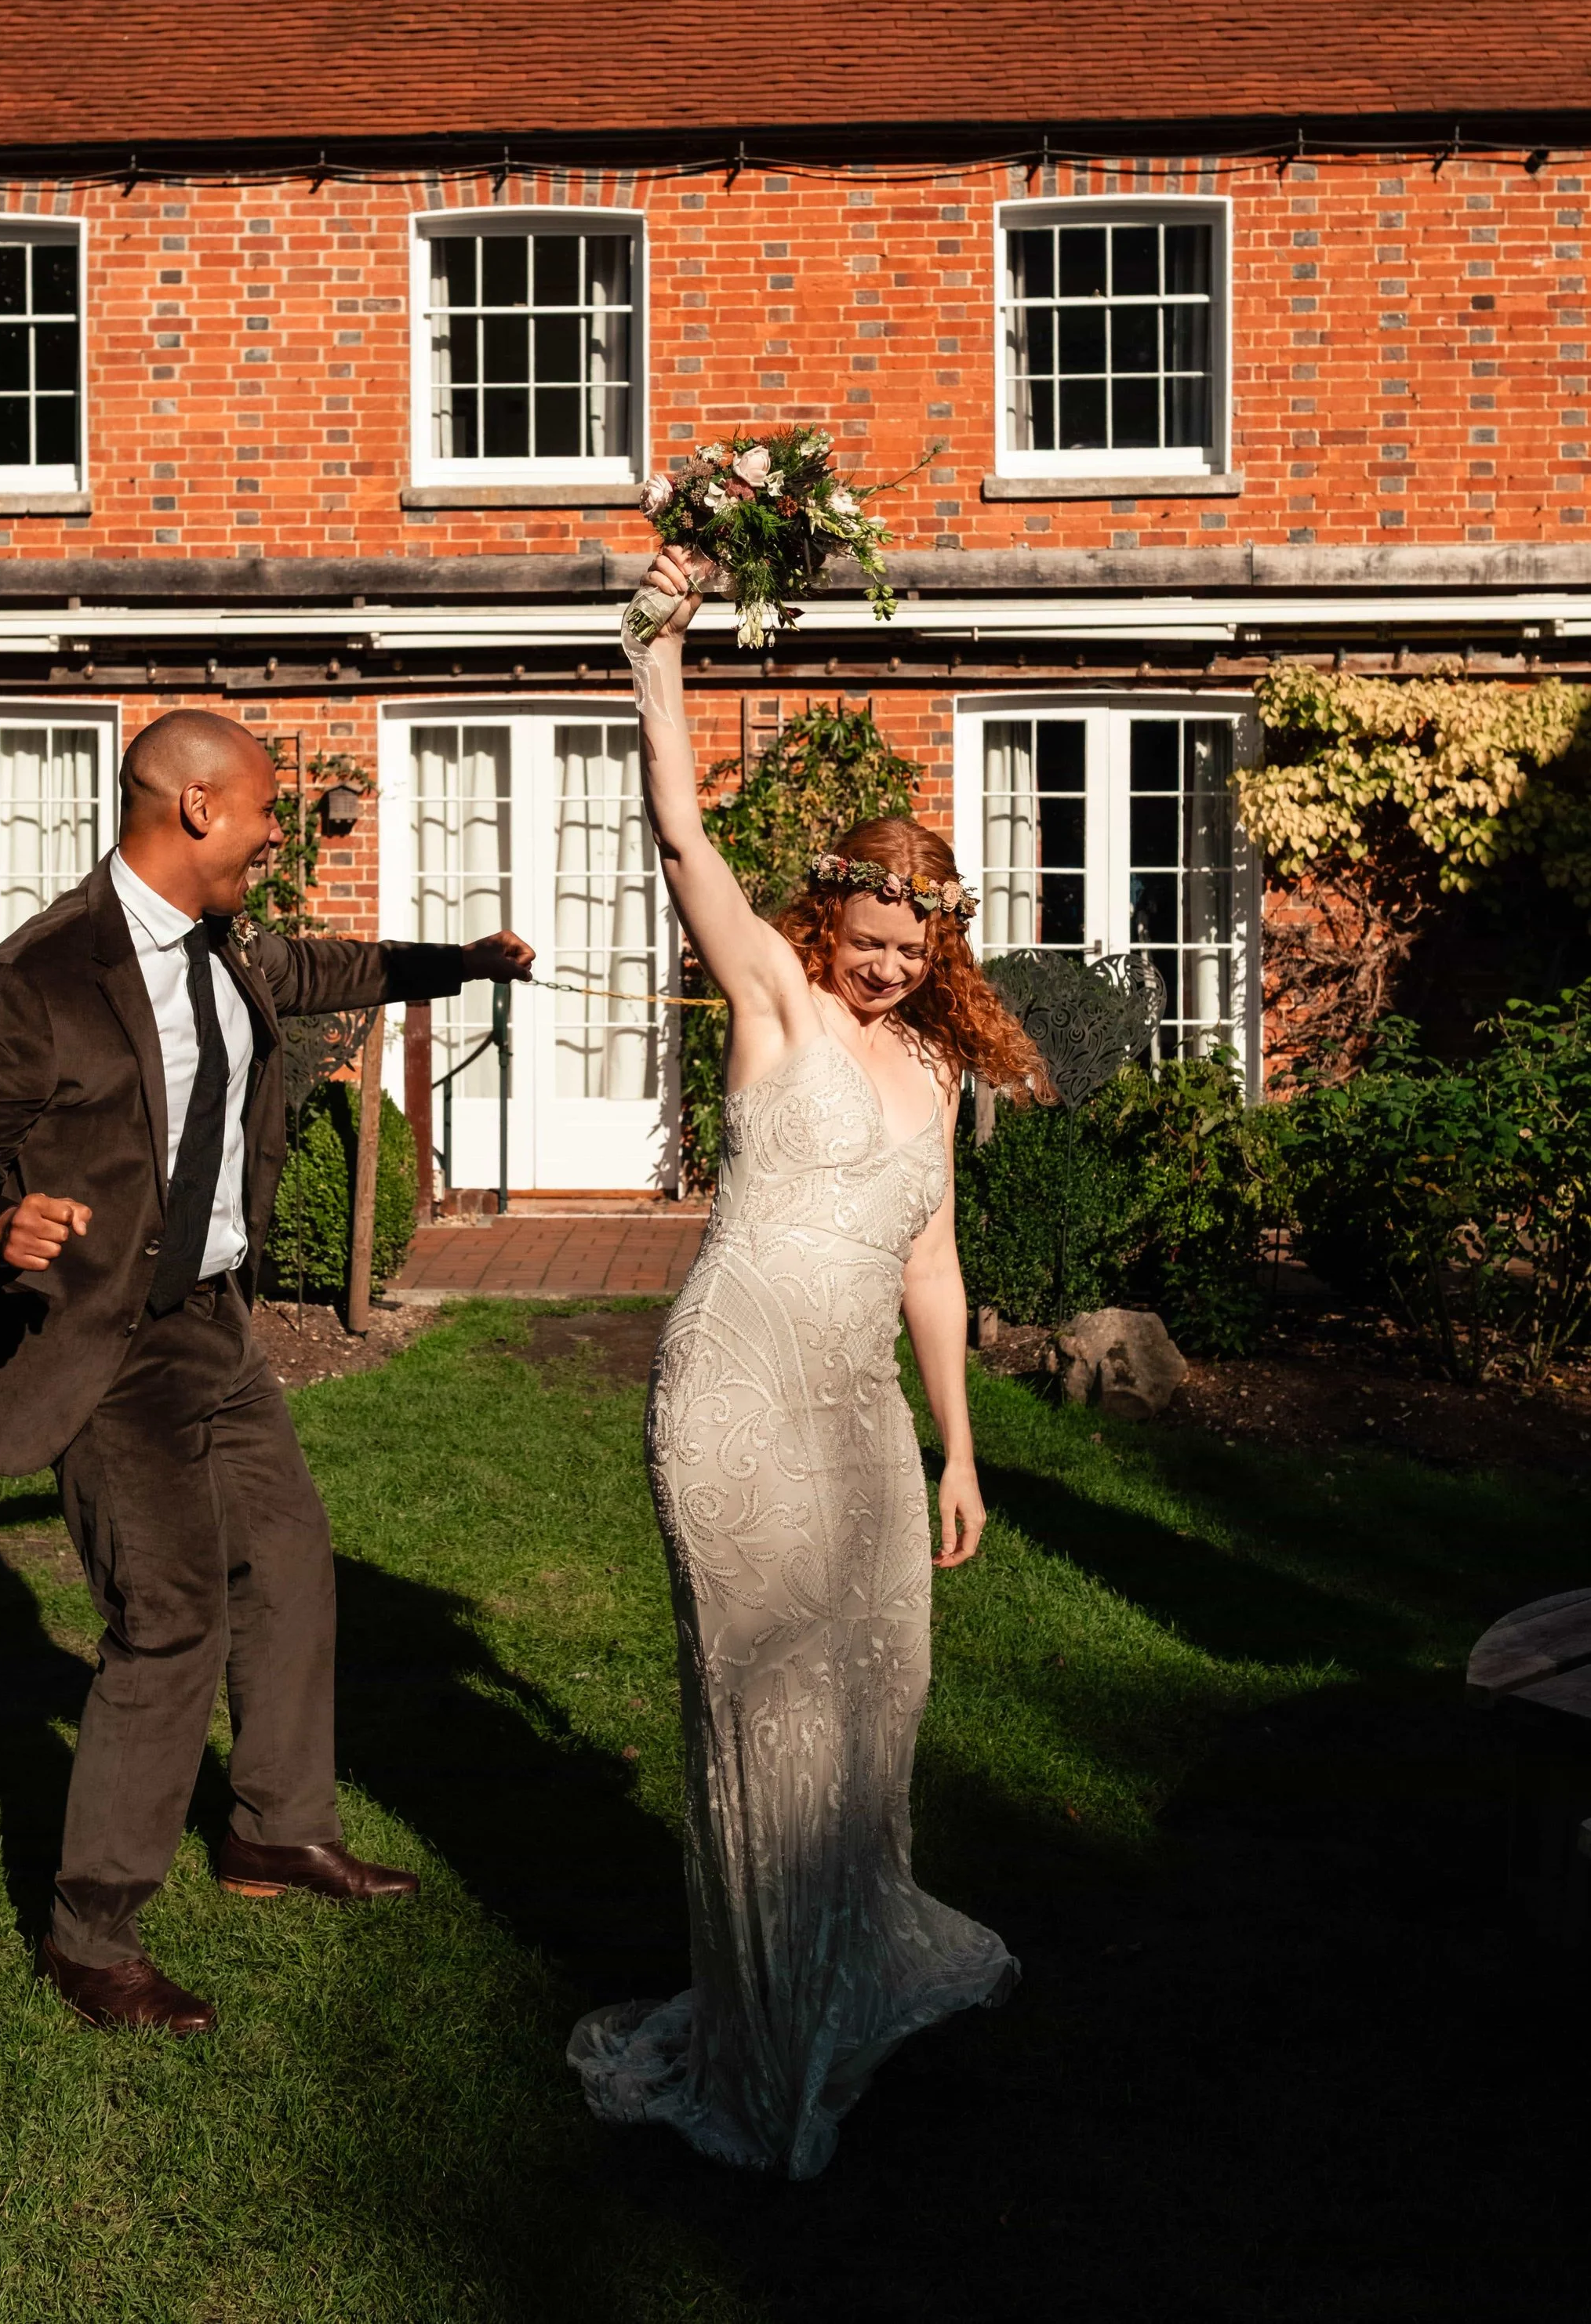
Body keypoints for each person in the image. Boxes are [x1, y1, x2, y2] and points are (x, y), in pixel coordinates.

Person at [0, 709, 533, 2035]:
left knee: (291, 1557)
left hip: (212, 1325)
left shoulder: (220, 943)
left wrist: (461, 966)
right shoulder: (43, 974)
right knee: (172, 1613)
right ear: (194, 807)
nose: (273, 833)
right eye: (260, 811)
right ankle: (91, 1929)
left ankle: (274, 1831)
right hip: (102, 1342)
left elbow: (319, 971)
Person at [568, 550, 1044, 2178]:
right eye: (865, 936)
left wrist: (956, 1451)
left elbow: (930, 1262)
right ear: (823, 917)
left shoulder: (926, 1069)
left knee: (868, 1702)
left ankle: (838, 1976)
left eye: (911, 948)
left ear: (938, 945)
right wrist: (655, 651)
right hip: (732, 1391)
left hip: (856, 1414)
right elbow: (681, 835)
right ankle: (763, 2051)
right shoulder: (769, 1001)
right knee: (762, 1708)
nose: (884, 966)